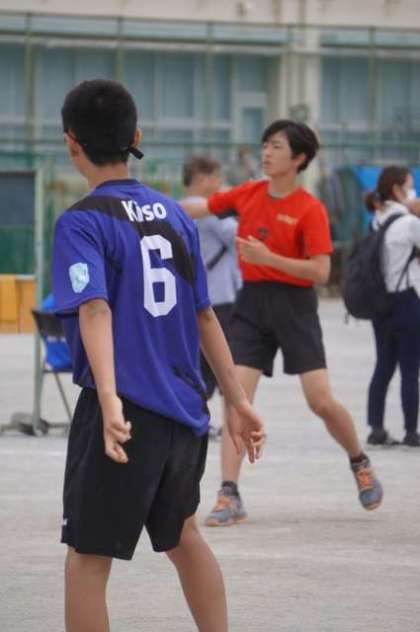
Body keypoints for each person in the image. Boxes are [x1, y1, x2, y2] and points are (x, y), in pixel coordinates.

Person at [52, 79, 265, 632]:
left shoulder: (81, 222)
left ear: (71, 143)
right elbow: (204, 316)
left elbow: (94, 308)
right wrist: (237, 400)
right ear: (136, 138)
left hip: (124, 408)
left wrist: (108, 400)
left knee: (87, 560)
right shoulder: (175, 215)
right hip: (183, 412)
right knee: (183, 537)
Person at [181, 119, 383, 528]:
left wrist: (268, 258)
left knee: (320, 400)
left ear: (299, 158)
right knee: (237, 398)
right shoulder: (249, 192)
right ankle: (229, 492)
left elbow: (321, 271)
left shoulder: (310, 209)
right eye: (265, 145)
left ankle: (359, 460)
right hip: (252, 305)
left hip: (295, 306)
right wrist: (145, 207)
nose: (266, 153)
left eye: (276, 146)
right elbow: (199, 207)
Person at [182, 155, 242, 438]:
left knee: (201, 364)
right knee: (219, 365)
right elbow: (240, 236)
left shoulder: (179, 208)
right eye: (216, 177)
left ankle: (198, 419)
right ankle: (207, 421)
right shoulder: (205, 211)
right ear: (201, 178)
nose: (219, 183)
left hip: (196, 296)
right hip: (218, 298)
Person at [365, 165, 420, 448]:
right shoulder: (409, 222)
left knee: (383, 366)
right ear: (398, 190)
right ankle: (411, 431)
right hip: (406, 299)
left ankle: (376, 428)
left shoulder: (376, 220)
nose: (413, 192)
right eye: (410, 186)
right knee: (410, 368)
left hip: (380, 303)